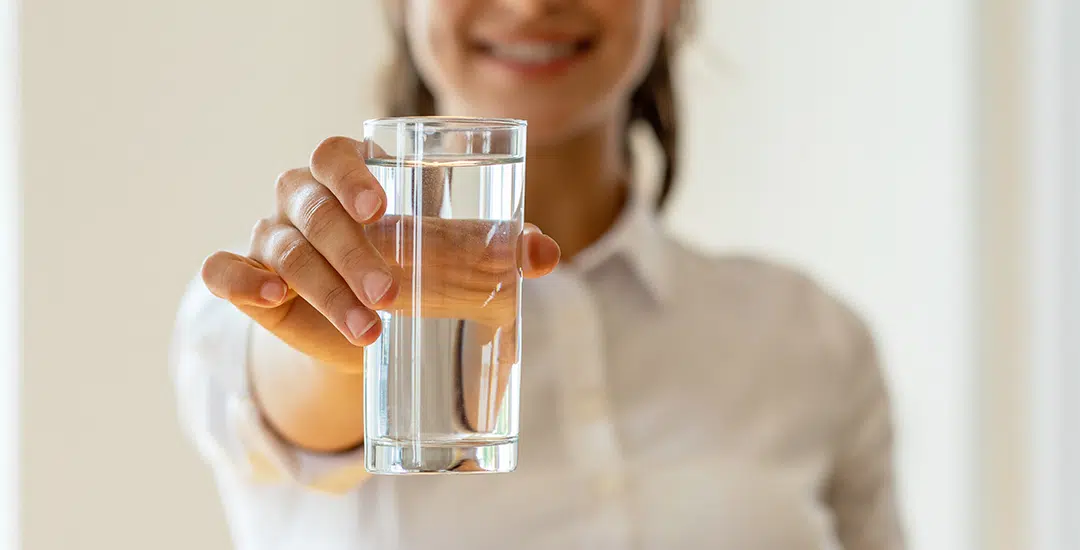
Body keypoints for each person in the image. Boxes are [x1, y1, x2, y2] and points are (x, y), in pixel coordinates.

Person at [170, 0, 905, 548]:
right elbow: (299, 391)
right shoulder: (274, 295)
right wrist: (358, 329)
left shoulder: (813, 340)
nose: (529, 3)